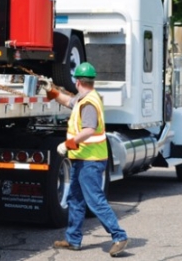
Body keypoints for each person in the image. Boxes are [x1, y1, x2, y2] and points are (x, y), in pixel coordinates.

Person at [38, 62, 128, 257]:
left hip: (91, 161)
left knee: (95, 201)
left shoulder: (88, 103)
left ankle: (119, 236)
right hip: (83, 159)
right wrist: (51, 90)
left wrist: (68, 143)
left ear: (77, 81)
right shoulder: (85, 97)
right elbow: (67, 101)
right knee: (76, 199)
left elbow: (88, 129)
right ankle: (73, 240)